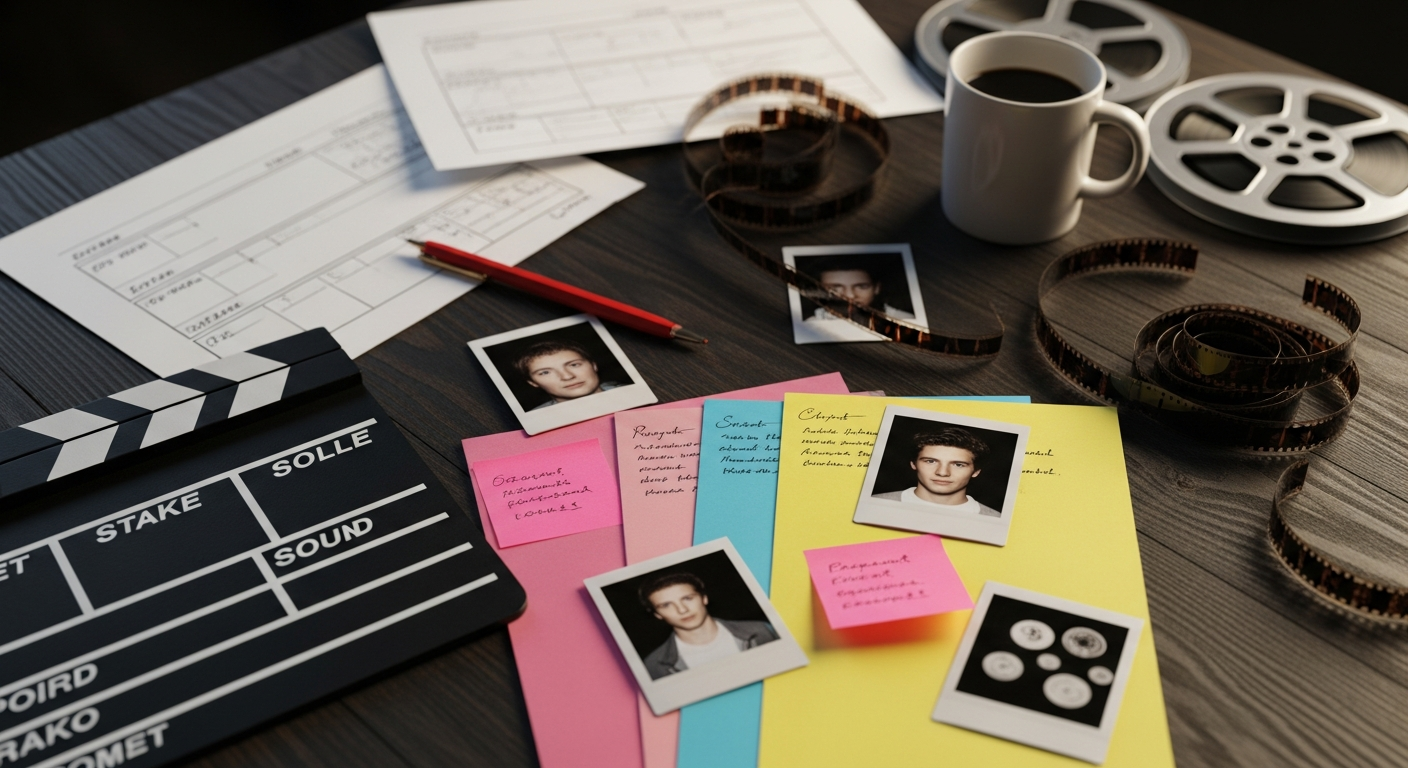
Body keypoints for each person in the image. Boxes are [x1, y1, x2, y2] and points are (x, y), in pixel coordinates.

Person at [637, 572, 777, 679]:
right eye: (666, 605)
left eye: (687, 598)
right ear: (657, 614)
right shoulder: (654, 665)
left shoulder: (762, 631)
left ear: (704, 598)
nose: (682, 609)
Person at [873, 427, 1000, 516]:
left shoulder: (996, 520)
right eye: (930, 461)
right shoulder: (874, 504)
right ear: (913, 463)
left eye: (958, 464)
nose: (943, 472)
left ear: (976, 471)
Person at [512, 339, 622, 410]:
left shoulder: (636, 394)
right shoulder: (533, 422)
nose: (567, 376)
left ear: (594, 366)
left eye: (574, 365)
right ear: (533, 382)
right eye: (545, 372)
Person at [802, 255, 915, 321]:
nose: (850, 296)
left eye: (862, 286)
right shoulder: (811, 323)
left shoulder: (905, 320)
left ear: (877, 288)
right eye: (835, 288)